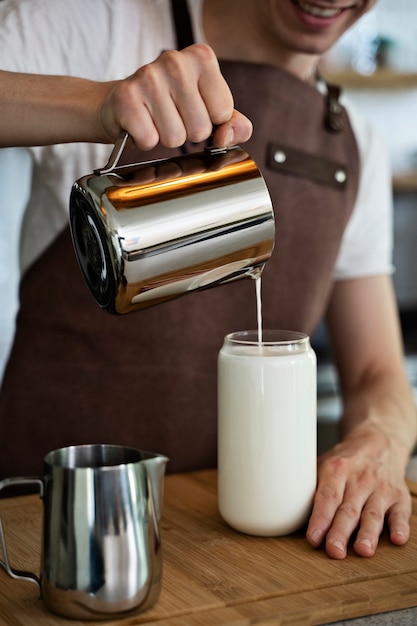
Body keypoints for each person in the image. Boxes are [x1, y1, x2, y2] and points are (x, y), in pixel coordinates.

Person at [0, 0, 416, 562]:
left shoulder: (354, 142)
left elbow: (375, 371)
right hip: (54, 526)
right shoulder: (101, 22)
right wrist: (99, 103)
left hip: (230, 552)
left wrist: (383, 441)